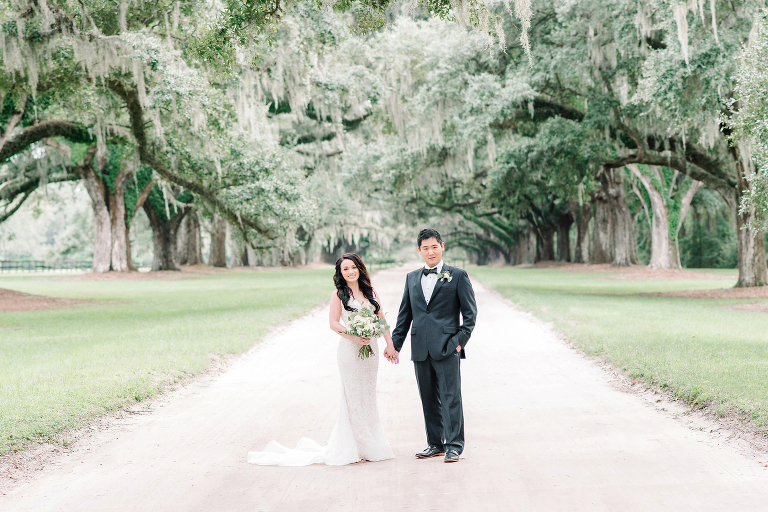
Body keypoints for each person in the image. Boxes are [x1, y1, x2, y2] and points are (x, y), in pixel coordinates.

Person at [247, 253, 395, 466]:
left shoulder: (371, 292)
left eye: (353, 267)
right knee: (352, 396)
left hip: (370, 350)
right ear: (340, 273)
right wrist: (353, 335)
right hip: (349, 350)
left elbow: (381, 319)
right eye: (345, 269)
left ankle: (370, 441)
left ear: (360, 268)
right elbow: (334, 323)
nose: (350, 271)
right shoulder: (338, 295)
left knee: (368, 395)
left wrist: (389, 344)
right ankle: (356, 445)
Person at [384, 229, 477, 463]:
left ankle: (454, 445)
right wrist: (394, 345)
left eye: (434, 246)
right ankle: (435, 443)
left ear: (442, 246)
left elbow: (470, 315)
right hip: (420, 348)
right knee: (427, 398)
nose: (430, 251)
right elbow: (405, 316)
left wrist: (458, 344)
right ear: (419, 251)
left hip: (447, 347)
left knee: (450, 397)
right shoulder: (411, 278)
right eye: (425, 248)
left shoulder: (457, 275)